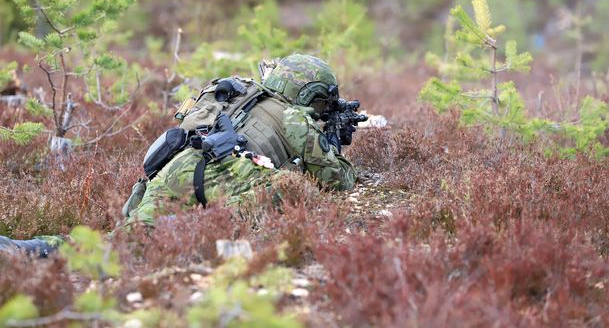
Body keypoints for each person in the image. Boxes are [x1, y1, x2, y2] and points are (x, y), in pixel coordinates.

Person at [0, 54, 358, 256]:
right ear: (311, 95)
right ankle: (192, 235)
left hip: (175, 166)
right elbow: (335, 180)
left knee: (123, 238)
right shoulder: (294, 116)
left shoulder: (237, 91)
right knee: (298, 190)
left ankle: (29, 250)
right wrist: (333, 144)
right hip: (221, 173)